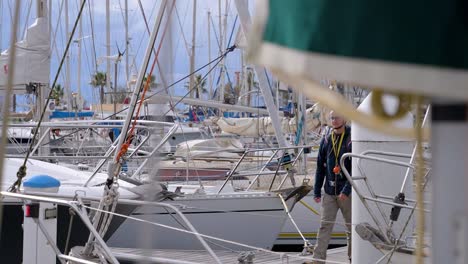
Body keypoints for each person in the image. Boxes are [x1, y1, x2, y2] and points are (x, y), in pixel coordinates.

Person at [312, 111, 352, 263]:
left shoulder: (351, 140)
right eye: (332, 118)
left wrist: (346, 190)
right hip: (329, 191)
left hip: (346, 193)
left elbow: (355, 169)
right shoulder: (327, 140)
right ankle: (318, 259)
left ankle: (352, 257)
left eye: (337, 117)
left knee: (350, 228)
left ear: (345, 118)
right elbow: (319, 168)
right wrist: (316, 191)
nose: (334, 120)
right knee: (324, 226)